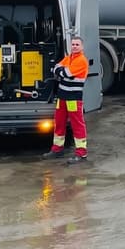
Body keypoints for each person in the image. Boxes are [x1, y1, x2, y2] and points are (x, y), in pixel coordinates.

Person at [43, 35, 90, 164]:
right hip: (62, 97)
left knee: (77, 125)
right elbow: (57, 68)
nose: (74, 46)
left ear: (82, 47)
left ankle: (81, 153)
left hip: (73, 98)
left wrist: (61, 71)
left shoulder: (81, 60)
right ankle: (57, 149)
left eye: (77, 45)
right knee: (59, 123)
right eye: (73, 44)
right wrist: (61, 71)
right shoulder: (69, 58)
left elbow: (64, 73)